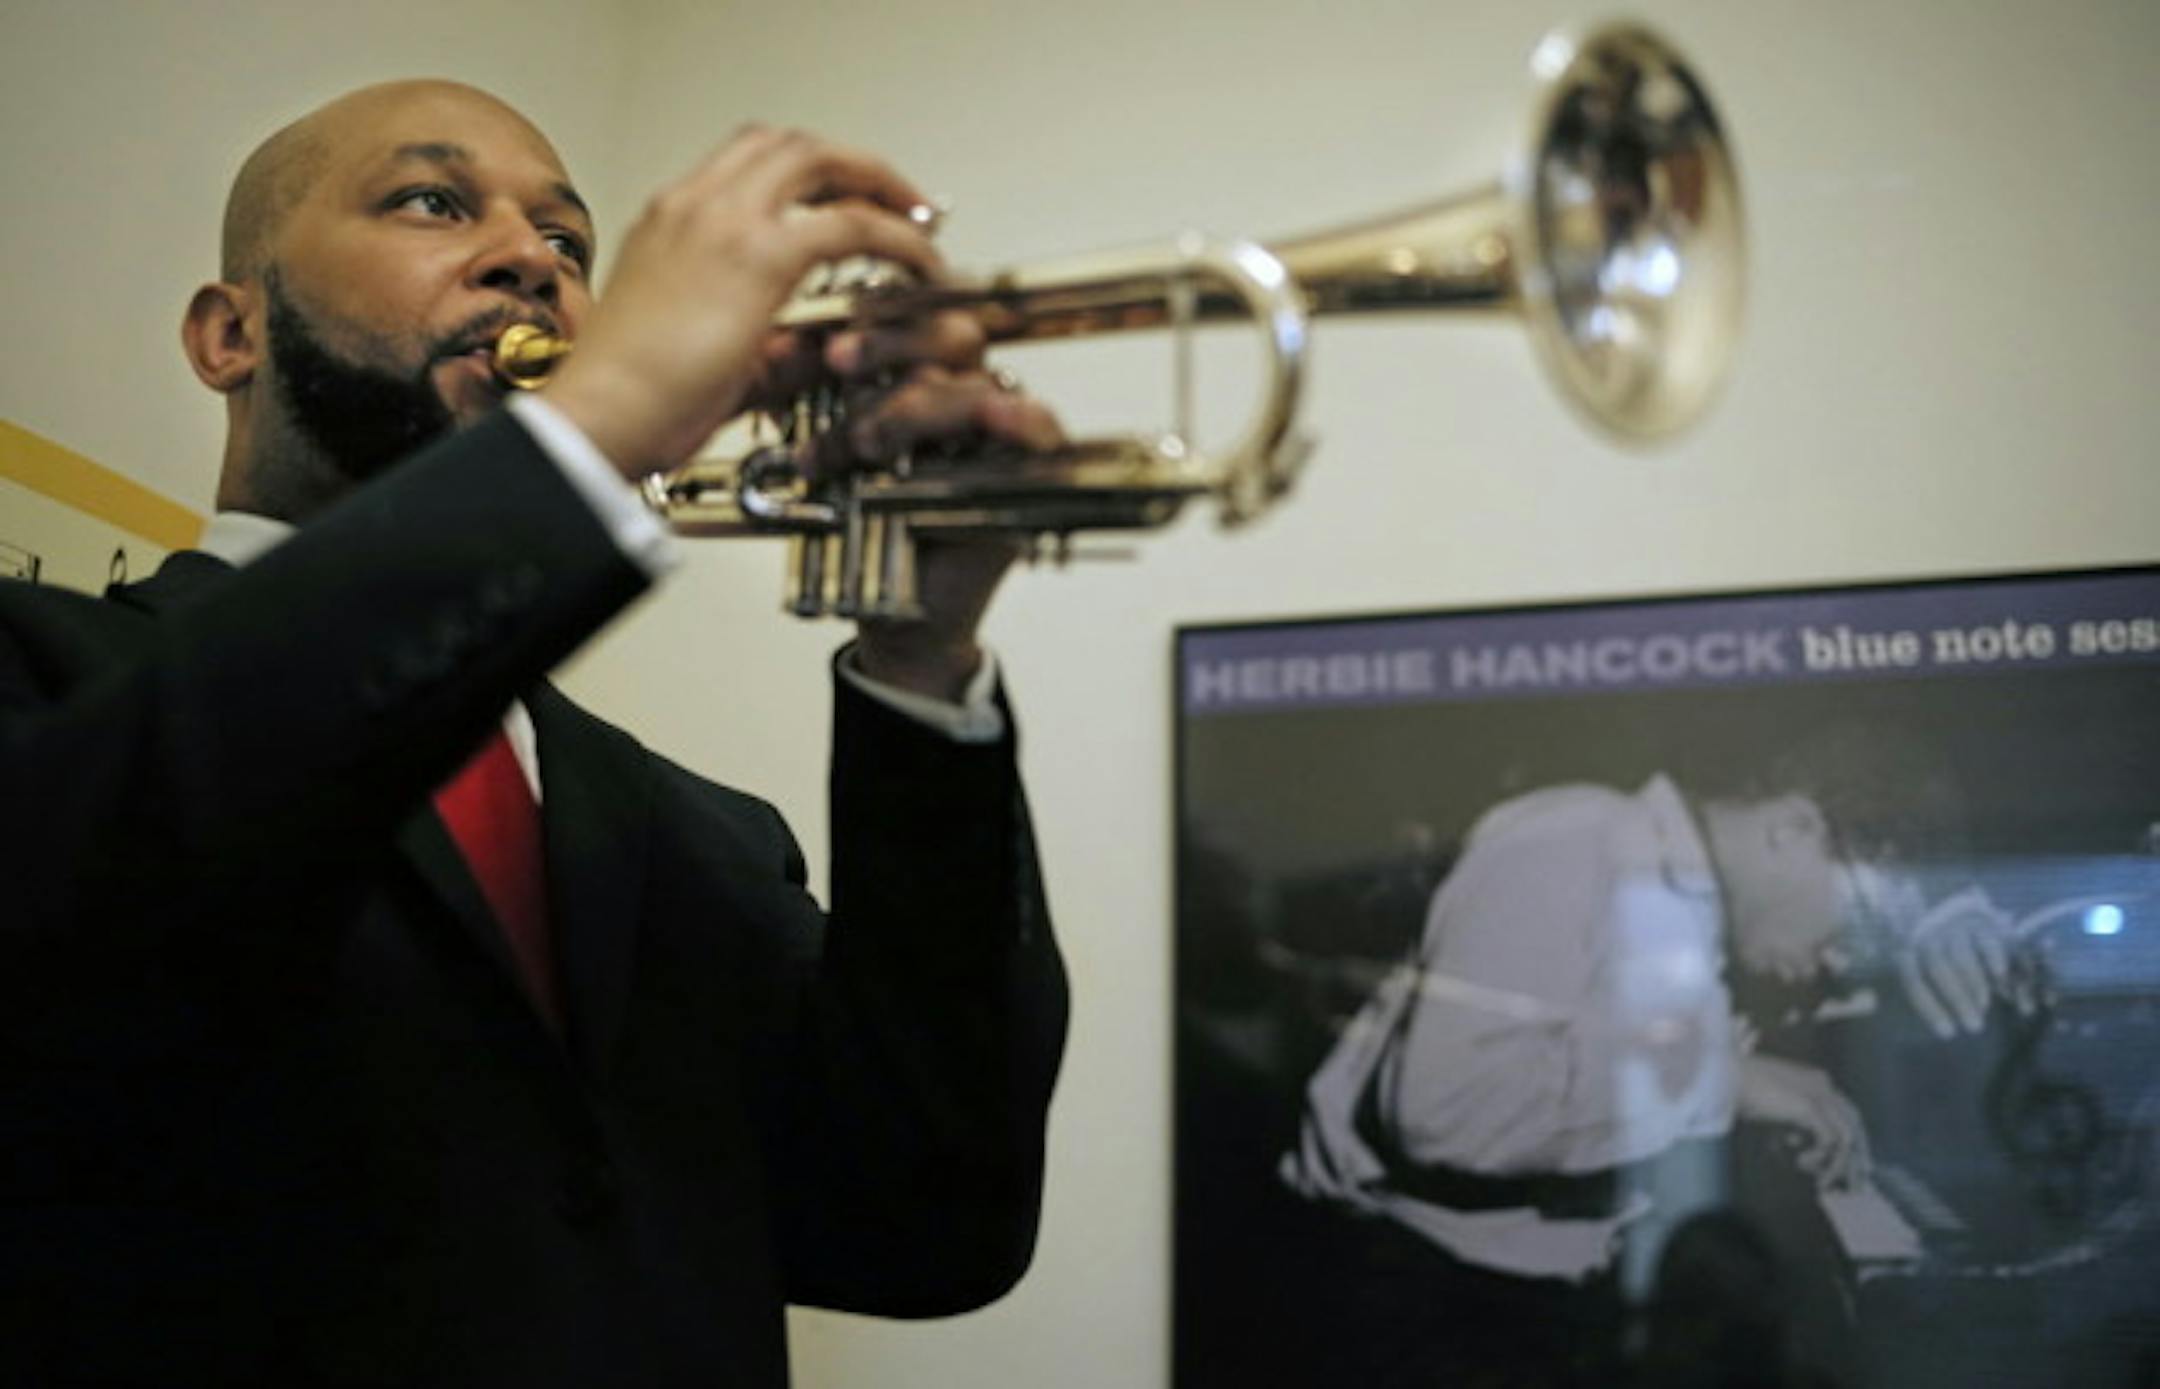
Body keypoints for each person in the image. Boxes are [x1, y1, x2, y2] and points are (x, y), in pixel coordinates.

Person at [0, 80, 1070, 1387]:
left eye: (569, 241)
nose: (534, 262)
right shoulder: (46, 680)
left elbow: (929, 1224)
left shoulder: (713, 843)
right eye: (432, 201)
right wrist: (593, 431)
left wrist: (923, 660)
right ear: (233, 334)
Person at [1277, 765, 2031, 1385]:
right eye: (1854, 927)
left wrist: (1957, 923)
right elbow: (1446, 1109)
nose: (1836, 961)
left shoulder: (1697, 917)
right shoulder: (1579, 839)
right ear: (1794, 828)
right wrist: (1724, 1082)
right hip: (1406, 1308)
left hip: (1501, 1312)